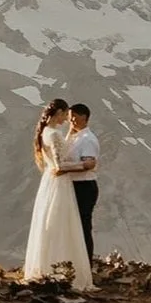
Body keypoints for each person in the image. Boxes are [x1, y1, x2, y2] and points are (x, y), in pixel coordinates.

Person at [20, 98, 92, 290]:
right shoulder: (53, 134)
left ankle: (48, 265)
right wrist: (84, 165)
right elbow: (60, 165)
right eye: (65, 115)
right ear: (59, 113)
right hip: (60, 183)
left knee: (50, 224)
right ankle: (63, 267)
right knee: (62, 224)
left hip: (50, 182)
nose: (66, 120)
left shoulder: (45, 132)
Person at [63, 103, 101, 264]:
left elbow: (89, 164)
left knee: (84, 226)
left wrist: (64, 168)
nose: (71, 120)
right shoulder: (75, 137)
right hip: (74, 185)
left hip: (84, 186)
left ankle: (86, 262)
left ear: (83, 117)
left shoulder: (87, 139)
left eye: (74, 116)